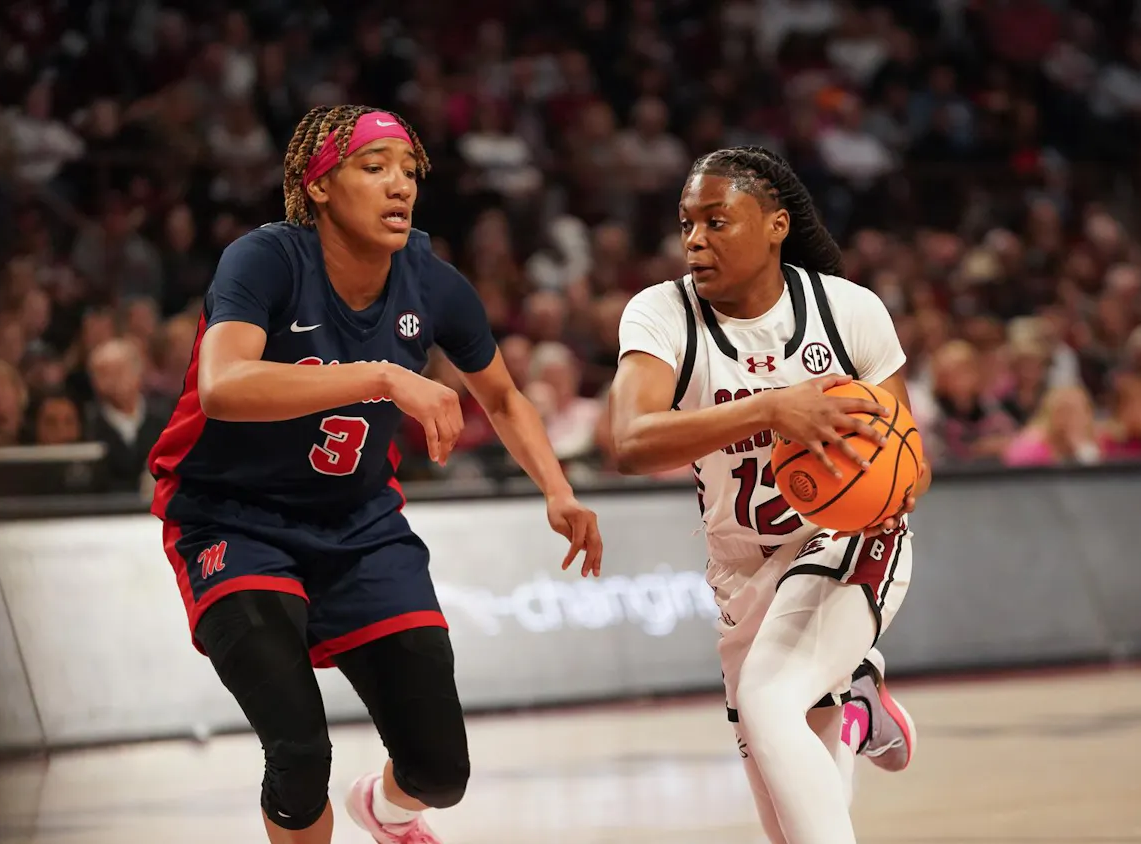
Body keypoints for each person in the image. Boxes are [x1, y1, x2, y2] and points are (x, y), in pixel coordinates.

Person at [146, 104, 603, 844]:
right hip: (230, 518)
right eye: (374, 168)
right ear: (318, 185)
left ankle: (385, 814)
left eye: (409, 171)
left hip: (359, 525)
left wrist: (559, 490)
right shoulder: (264, 259)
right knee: (297, 753)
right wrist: (383, 378)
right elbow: (224, 385)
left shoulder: (433, 283)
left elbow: (505, 397)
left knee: (439, 774)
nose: (401, 186)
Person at [608, 146, 928, 844]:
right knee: (789, 817)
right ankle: (856, 693)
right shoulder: (663, 314)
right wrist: (772, 409)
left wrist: (874, 488)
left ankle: (850, 672)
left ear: (776, 225)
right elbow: (629, 442)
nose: (695, 238)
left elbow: (912, 463)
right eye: (687, 223)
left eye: (717, 222)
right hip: (743, 567)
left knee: (770, 699)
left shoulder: (846, 312)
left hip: (848, 538)